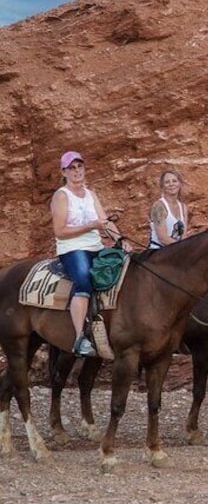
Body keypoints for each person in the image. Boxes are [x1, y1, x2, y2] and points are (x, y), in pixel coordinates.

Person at [51, 151, 131, 357]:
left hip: (95, 246)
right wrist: (90, 226)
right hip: (72, 248)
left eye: (80, 167)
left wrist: (120, 240)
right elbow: (60, 231)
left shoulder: (90, 194)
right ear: (64, 172)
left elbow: (104, 221)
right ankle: (79, 338)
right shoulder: (61, 196)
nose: (77, 171)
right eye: (72, 168)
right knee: (84, 280)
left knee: (122, 269)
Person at [149, 169, 189, 248]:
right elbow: (162, 238)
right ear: (162, 186)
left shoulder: (183, 207)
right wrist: (182, 247)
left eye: (174, 181)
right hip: (159, 251)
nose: (171, 184)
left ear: (180, 184)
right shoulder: (159, 206)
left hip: (176, 251)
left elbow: (184, 235)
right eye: (167, 182)